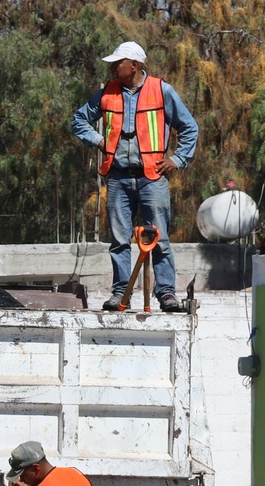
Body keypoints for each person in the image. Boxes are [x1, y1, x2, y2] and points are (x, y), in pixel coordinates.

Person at [70, 41, 199, 315]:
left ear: (135, 65)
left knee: (159, 238)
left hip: (152, 177)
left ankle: (166, 293)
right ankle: (121, 292)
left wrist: (176, 159)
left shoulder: (161, 90)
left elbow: (189, 127)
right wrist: (98, 140)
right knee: (119, 240)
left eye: (118, 63)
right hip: (118, 178)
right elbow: (79, 120)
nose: (113, 67)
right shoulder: (107, 92)